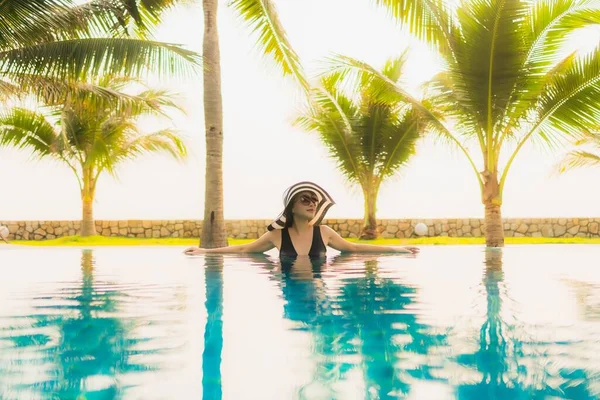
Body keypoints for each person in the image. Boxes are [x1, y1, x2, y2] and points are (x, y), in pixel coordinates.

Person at [184, 181, 419, 257]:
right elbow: (245, 250)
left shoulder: (324, 232)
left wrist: (399, 250)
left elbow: (353, 248)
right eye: (305, 200)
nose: (312, 204)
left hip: (317, 284)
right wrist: (204, 253)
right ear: (291, 207)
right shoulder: (277, 234)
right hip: (290, 289)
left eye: (314, 200)